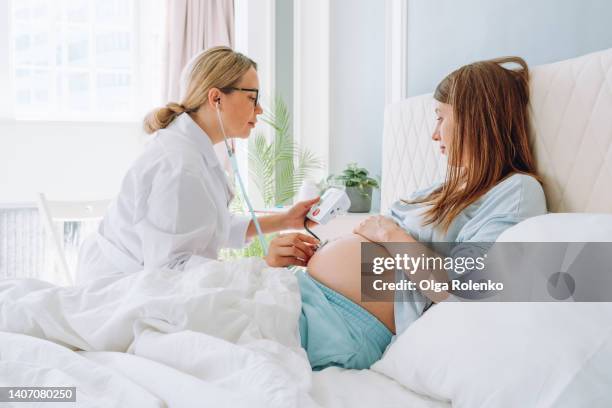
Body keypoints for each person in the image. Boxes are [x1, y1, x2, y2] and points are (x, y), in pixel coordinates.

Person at [297, 57, 548, 370]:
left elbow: (461, 291)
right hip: (306, 291)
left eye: (441, 118)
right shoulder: (439, 187)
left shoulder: (516, 192)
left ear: (476, 119)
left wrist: (391, 235)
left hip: (342, 324)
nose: (434, 134)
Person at [77, 46, 319, 284]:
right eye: (251, 97)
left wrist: (286, 220)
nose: (259, 109)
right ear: (216, 98)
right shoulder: (178, 165)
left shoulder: (192, 151)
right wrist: (263, 265)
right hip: (124, 287)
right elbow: (170, 271)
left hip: (148, 280)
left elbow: (208, 226)